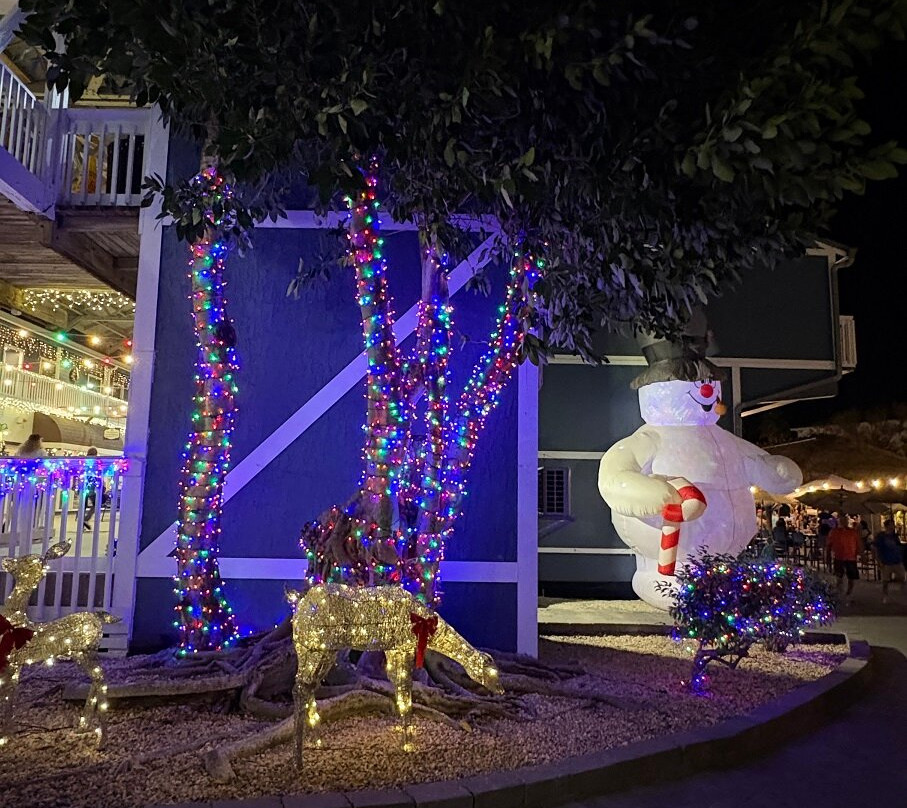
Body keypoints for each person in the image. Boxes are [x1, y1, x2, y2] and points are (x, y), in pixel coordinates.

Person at [828, 515, 862, 605]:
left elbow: (858, 543)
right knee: (839, 577)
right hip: (839, 557)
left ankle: (848, 594)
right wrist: (828, 557)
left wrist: (860, 553)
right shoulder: (834, 532)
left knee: (851, 578)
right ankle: (839, 594)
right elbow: (829, 545)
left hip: (850, 557)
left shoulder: (853, 532)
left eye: (845, 521)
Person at [874, 519, 906, 604]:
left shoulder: (894, 536)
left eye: (893, 525)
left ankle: (902, 592)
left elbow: (898, 546)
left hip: (897, 560)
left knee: (902, 577)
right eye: (891, 525)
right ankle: (885, 595)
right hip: (886, 561)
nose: (893, 526)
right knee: (885, 580)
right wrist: (879, 561)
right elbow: (877, 549)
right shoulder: (881, 536)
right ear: (887, 526)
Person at [83, 447, 100, 530]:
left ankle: (82, 522)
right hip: (91, 486)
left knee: (83, 505)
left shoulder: (85, 461)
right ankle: (86, 519)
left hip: (83, 485)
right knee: (96, 503)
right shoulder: (96, 462)